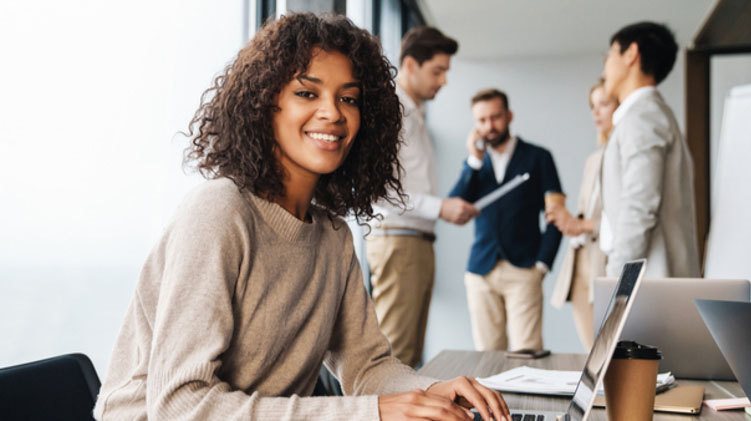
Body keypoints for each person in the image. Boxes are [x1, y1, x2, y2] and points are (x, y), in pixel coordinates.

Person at [93, 14, 510, 421]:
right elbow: (181, 406)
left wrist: (430, 392)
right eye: (307, 93)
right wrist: (373, 413)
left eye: (348, 98)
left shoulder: (333, 236)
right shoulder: (219, 211)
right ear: (264, 104)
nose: (333, 113)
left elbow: (368, 367)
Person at [366, 26, 478, 368]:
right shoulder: (393, 112)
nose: (443, 81)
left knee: (409, 357)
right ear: (411, 66)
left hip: (414, 241)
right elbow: (379, 190)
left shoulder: (414, 113)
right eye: (437, 71)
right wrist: (440, 207)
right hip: (400, 240)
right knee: (395, 357)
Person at [449, 88, 563, 352]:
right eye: (481, 120)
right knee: (487, 355)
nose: (490, 126)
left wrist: (543, 264)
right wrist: (473, 162)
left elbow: (557, 214)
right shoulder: (475, 164)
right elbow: (454, 207)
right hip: (481, 270)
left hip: (524, 269)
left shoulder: (538, 157)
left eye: (496, 117)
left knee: (527, 353)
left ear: (509, 116)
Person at [599, 21, 701, 278]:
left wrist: (615, 277)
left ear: (631, 53)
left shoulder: (643, 116)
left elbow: (640, 204)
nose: (605, 67)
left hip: (649, 281)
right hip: (652, 279)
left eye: (610, 54)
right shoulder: (648, 114)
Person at [548, 80, 618, 351]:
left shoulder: (625, 157)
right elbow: (584, 213)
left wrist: (583, 224)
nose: (596, 113)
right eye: (592, 106)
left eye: (604, 104)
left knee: (610, 353)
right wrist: (566, 220)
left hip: (606, 262)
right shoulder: (594, 159)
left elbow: (627, 220)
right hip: (579, 265)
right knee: (592, 353)